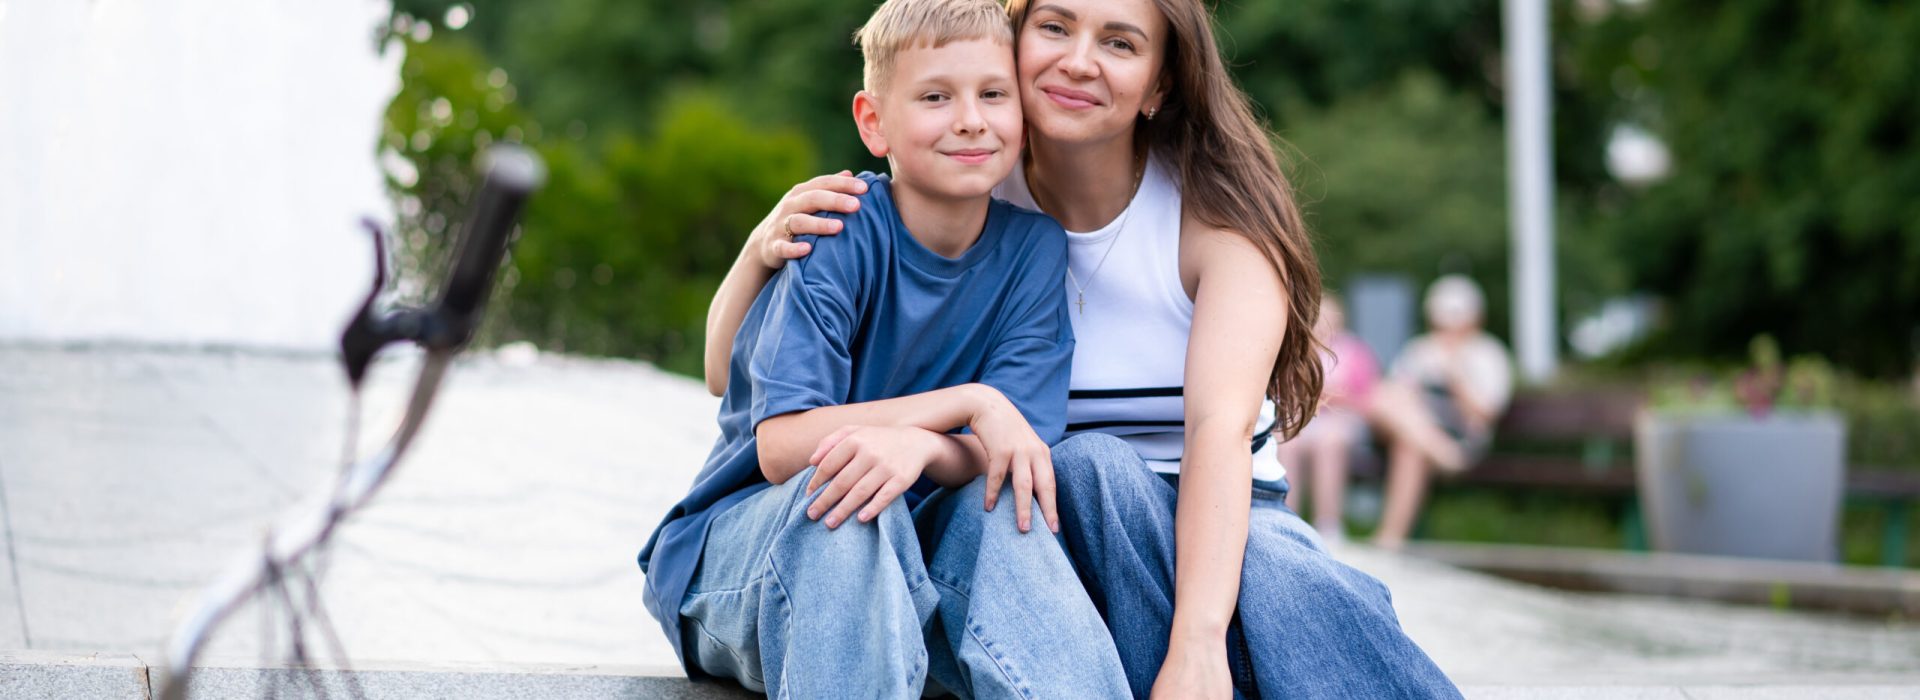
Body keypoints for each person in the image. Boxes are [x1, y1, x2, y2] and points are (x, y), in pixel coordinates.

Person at [703, 1, 1463, 696]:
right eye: (1056, 27)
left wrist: (1196, 647)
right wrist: (758, 252)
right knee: (1079, 473)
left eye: (1120, 43)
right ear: (1016, 38)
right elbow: (733, 385)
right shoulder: (971, 182)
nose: (1078, 60)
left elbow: (1218, 435)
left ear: (1159, 84)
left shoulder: (1217, 223)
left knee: (1281, 574)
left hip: (1218, 516)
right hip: (1040, 520)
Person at [637, 0, 1131, 696]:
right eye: (935, 96)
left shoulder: (1034, 249)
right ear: (874, 122)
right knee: (846, 500)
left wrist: (926, 447)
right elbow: (780, 447)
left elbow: (1012, 449)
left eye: (993, 94)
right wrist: (967, 402)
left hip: (912, 551)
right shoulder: (837, 228)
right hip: (752, 549)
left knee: (1010, 515)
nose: (969, 118)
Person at [1373, 274, 1515, 550]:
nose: (1449, 330)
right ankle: (1443, 454)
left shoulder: (1489, 354)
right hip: (1431, 440)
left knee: (1409, 449)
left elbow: (1486, 415)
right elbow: (1393, 397)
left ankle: (1388, 540)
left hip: (1461, 438)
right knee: (1385, 399)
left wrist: (1456, 378)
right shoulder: (1420, 350)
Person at [1276, 295, 1377, 542]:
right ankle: (1287, 518)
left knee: (1329, 442)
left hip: (1342, 421)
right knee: (1288, 443)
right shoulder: (1294, 349)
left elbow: (1369, 397)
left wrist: (1333, 398)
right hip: (1303, 419)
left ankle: (1329, 523)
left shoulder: (1355, 351)